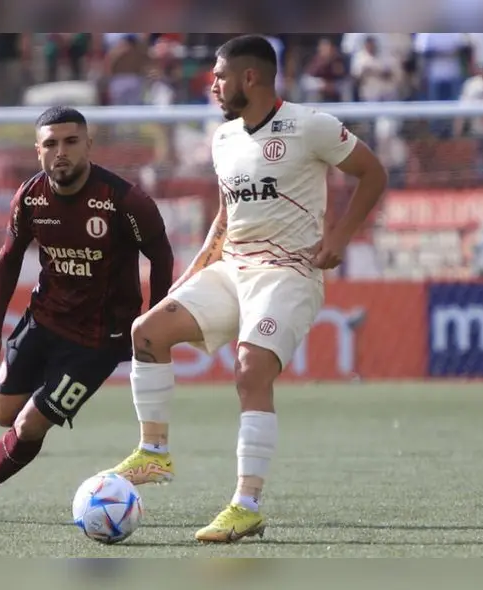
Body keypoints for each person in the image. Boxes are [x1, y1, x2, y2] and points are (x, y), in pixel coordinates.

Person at [100, 34, 389, 543]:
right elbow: (225, 217)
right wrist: (194, 274)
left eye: (219, 76)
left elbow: (372, 172)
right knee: (147, 331)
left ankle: (246, 504)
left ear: (249, 78)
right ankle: (154, 452)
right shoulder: (223, 138)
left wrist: (340, 237)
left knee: (251, 368)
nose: (211, 84)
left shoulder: (310, 125)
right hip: (233, 268)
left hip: (289, 274)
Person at [0, 106, 174, 524]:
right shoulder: (31, 196)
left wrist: (155, 317)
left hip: (98, 341)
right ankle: (39, 402)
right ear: (38, 151)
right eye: (51, 144)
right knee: (4, 414)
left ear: (89, 145)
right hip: (43, 321)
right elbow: (8, 258)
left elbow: (161, 256)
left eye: (71, 142)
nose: (61, 152)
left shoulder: (123, 200)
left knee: (31, 423)